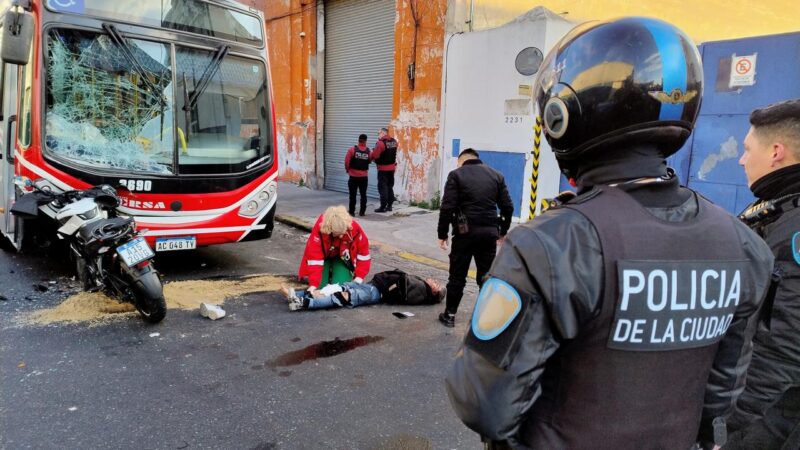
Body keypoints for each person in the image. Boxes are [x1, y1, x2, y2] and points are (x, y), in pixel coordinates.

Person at [445, 17, 775, 450]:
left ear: (563, 114)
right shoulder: (745, 244)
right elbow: (720, 395)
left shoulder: (552, 244)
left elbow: (483, 403)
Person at [726, 99, 800, 450]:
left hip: (774, 415)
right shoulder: (779, 209)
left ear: (775, 152)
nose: (742, 159)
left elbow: (785, 344)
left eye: (746, 149)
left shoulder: (794, 227)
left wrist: (730, 424)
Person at [437, 148, 513, 328]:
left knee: (457, 275)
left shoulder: (456, 175)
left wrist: (442, 234)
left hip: (464, 234)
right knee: (486, 276)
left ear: (462, 161)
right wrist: (502, 231)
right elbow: (507, 207)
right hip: (489, 233)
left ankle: (450, 315)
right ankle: (485, 317)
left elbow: (447, 206)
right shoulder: (497, 175)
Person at [281, 270, 445, 311]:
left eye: (437, 285)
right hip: (375, 286)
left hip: (376, 292)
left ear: (434, 291)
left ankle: (303, 302)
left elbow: (403, 289)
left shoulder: (423, 290)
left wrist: (391, 285)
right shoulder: (422, 286)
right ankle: (301, 295)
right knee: (342, 287)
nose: (434, 281)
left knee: (344, 296)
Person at [298, 205, 371, 292]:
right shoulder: (319, 231)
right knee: (320, 288)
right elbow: (315, 260)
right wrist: (313, 285)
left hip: (342, 258)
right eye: (337, 234)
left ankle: (334, 272)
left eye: (342, 233)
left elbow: (364, 255)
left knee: (340, 288)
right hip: (323, 258)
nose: (340, 236)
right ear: (329, 229)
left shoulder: (354, 229)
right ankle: (328, 273)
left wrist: (359, 277)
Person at [372, 127, 398, 212]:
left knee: (382, 188)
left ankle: (383, 207)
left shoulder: (380, 143)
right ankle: (389, 206)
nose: (378, 135)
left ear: (383, 133)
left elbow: (375, 155)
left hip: (383, 169)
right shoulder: (394, 141)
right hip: (392, 169)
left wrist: (372, 153)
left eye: (378, 133)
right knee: (390, 187)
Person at [344, 134, 371, 216]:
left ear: (358, 140)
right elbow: (369, 161)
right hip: (363, 177)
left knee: (352, 195)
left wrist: (348, 170)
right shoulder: (369, 151)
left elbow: (346, 162)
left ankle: (351, 212)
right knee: (363, 195)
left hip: (353, 176)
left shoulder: (352, 150)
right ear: (366, 141)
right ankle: (362, 212)